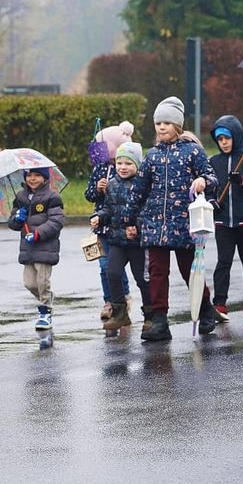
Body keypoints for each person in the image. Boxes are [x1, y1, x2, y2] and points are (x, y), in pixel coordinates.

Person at [121, 96, 218, 342]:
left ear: (177, 125)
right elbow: (139, 190)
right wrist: (128, 220)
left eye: (166, 123)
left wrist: (203, 180)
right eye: (158, 123)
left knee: (190, 271)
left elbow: (212, 177)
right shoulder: (152, 155)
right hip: (155, 225)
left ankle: (206, 309)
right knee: (156, 272)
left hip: (185, 224)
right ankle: (160, 321)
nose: (161, 127)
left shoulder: (193, 151)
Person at [91, 141, 151, 333]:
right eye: (119, 163)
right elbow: (108, 208)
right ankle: (120, 313)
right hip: (117, 239)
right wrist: (100, 217)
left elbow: (147, 211)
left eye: (128, 163)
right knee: (112, 272)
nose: (123, 167)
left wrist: (137, 227)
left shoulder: (144, 185)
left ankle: (151, 315)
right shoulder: (112, 184)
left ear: (138, 165)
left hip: (137, 242)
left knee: (142, 279)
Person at [208, 115, 243, 321]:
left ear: (237, 137)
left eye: (227, 138)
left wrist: (241, 181)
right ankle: (219, 304)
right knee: (223, 263)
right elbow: (209, 189)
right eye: (220, 139)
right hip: (223, 222)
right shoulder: (213, 162)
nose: (223, 143)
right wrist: (212, 202)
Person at [85, 121, 135, 320]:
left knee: (116, 266)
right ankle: (109, 301)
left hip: (120, 226)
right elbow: (89, 195)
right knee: (104, 265)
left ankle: (123, 296)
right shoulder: (99, 169)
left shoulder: (127, 167)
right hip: (101, 225)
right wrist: (97, 189)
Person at [8, 167, 65, 331]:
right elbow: (12, 223)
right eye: (29, 175)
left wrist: (38, 233)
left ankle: (45, 312)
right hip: (28, 248)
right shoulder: (20, 197)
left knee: (42, 281)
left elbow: (56, 221)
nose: (32, 179)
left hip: (45, 247)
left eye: (37, 175)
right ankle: (47, 297)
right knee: (29, 283)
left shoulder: (52, 197)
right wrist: (17, 218)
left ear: (45, 178)